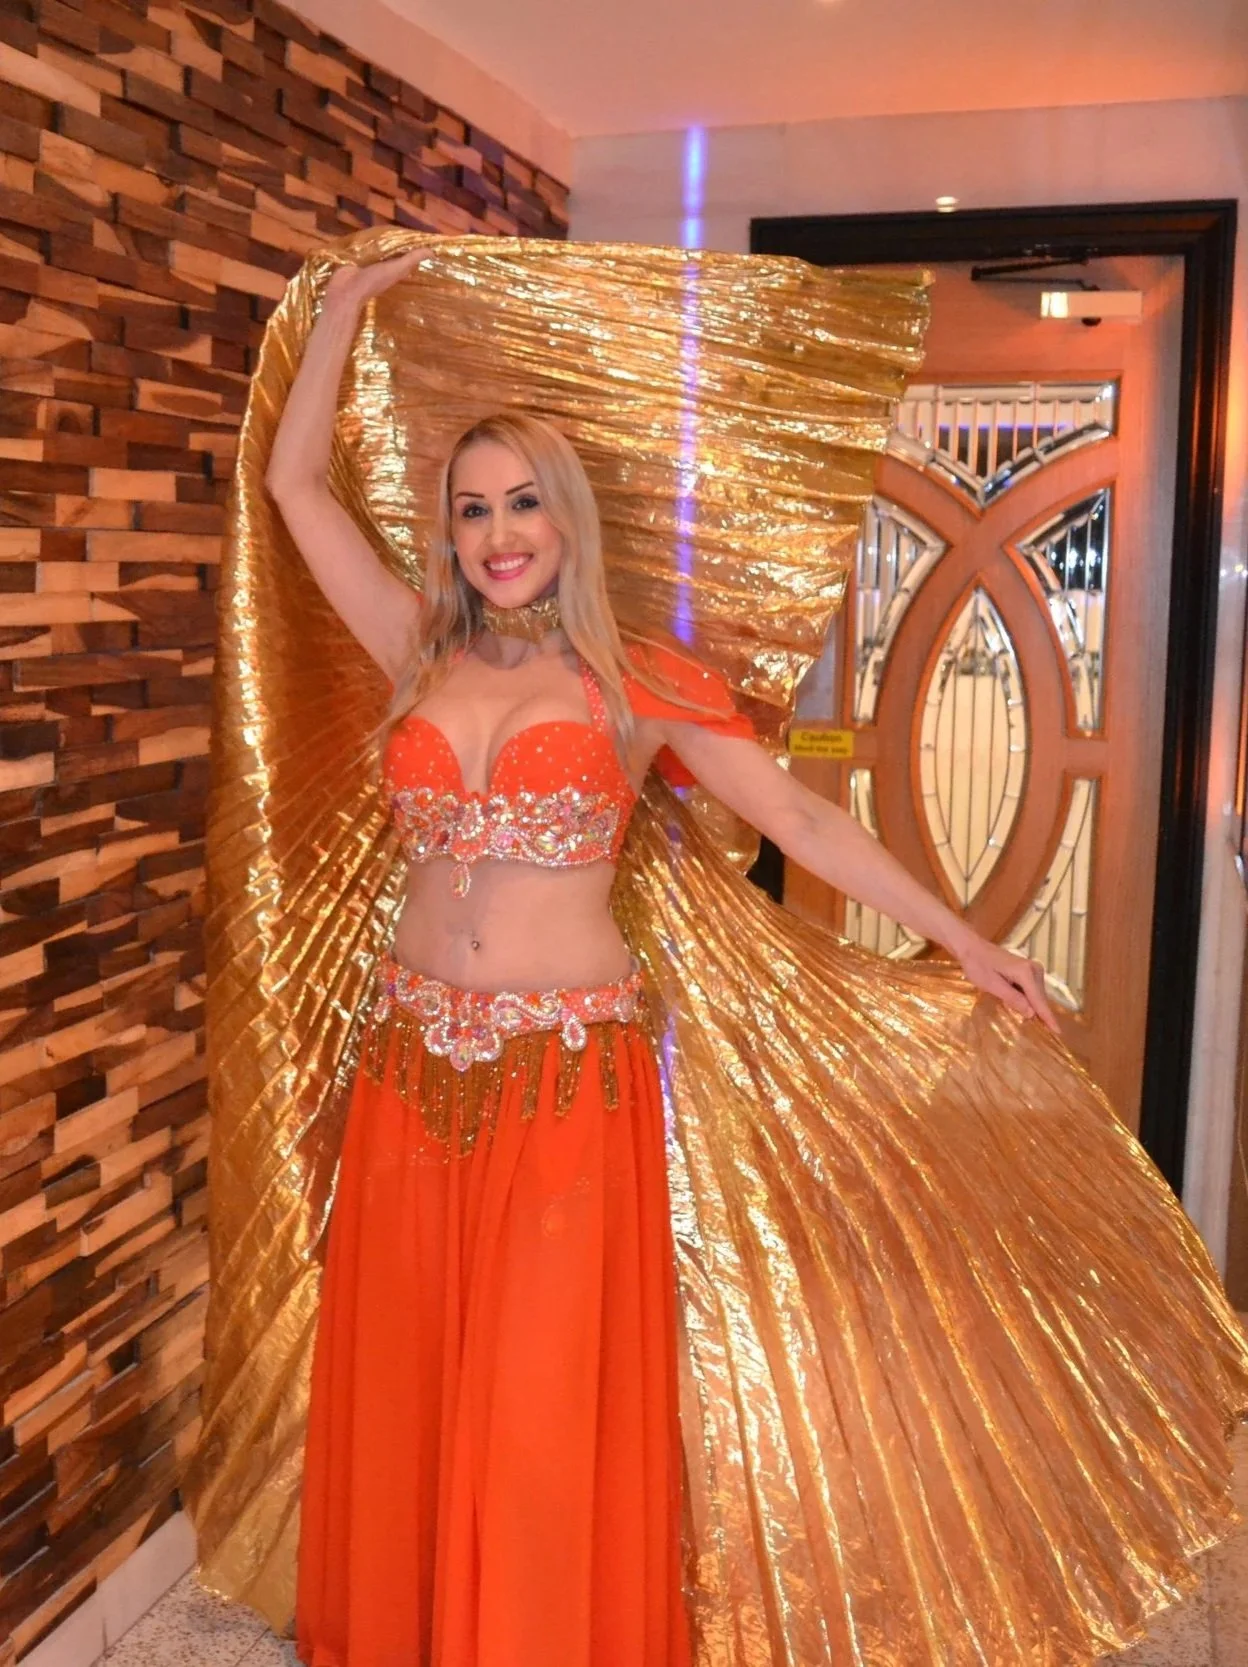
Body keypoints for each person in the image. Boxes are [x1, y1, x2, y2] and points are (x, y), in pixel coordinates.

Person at [207, 239, 1248, 1667]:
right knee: (409, 1371)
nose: (497, 532)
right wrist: (339, 314)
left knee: (532, 1397)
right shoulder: (412, 651)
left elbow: (807, 826)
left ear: (565, 519)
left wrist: (967, 939)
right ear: (447, 534)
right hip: (408, 1068)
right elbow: (295, 489)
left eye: (522, 503)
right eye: (470, 510)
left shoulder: (643, 682)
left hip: (568, 1089)